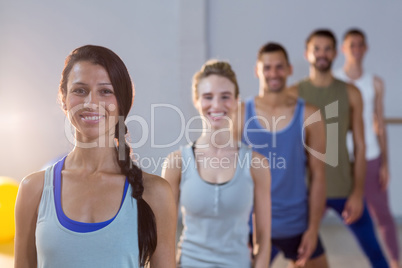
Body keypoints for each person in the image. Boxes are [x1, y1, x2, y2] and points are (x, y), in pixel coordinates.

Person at [14, 45, 176, 268]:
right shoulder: (34, 189)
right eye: (80, 90)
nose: (91, 102)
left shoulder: (156, 193)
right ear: (63, 98)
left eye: (105, 91)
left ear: (123, 101)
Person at [288, 29, 389, 268]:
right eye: (316, 49)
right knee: (297, 254)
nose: (322, 54)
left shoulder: (350, 92)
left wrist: (357, 192)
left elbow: (361, 147)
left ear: (335, 53)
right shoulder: (294, 94)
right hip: (308, 190)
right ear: (307, 54)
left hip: (343, 188)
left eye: (327, 49)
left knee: (375, 253)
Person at [162, 60, 271, 267]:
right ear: (196, 101)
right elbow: (162, 236)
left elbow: (264, 239)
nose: (216, 105)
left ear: (237, 101)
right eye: (208, 97)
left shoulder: (257, 164)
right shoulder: (176, 163)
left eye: (225, 97)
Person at [241, 42, 328, 268]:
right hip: (252, 227)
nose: (273, 73)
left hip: (295, 224)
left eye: (279, 67)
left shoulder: (310, 114)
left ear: (289, 69)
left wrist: (313, 229)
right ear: (257, 70)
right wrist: (235, 228)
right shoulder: (239, 114)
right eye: (267, 67)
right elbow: (227, 176)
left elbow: (318, 176)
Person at [334, 28, 400, 268]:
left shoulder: (375, 83)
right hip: (340, 161)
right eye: (351, 45)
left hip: (370, 156)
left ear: (366, 48)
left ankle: (394, 261)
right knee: (313, 210)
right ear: (343, 49)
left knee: (382, 215)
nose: (356, 49)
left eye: (360, 45)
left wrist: (385, 163)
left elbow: (379, 123)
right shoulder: (333, 80)